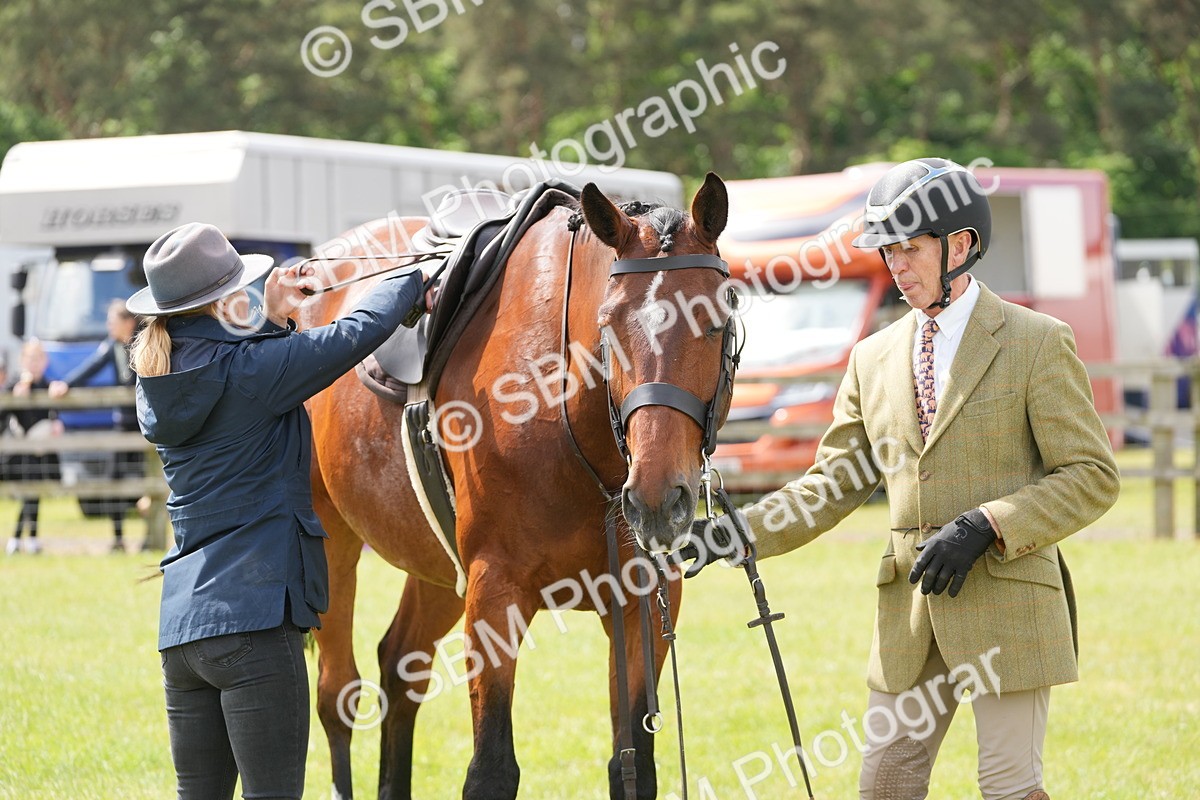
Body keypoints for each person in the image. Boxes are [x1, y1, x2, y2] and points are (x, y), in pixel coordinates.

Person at [685, 158, 1120, 800]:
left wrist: (988, 524)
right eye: (887, 251)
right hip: (910, 610)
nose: (896, 265)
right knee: (884, 788)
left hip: (1009, 601)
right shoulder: (872, 357)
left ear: (960, 246)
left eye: (909, 249)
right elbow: (834, 483)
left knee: (1008, 787)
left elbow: (1091, 475)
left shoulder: (1036, 342)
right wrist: (740, 532)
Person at [128, 222, 424, 799]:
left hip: (182, 635)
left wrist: (270, 318)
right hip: (256, 625)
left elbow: (235, 369)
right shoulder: (252, 372)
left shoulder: (158, 378)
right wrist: (413, 275)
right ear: (222, 302)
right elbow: (357, 332)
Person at [49, 298, 141, 552]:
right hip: (122, 425)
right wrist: (66, 384)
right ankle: (119, 538)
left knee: (148, 480)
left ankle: (150, 537)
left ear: (128, 322)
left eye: (113, 321)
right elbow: (90, 367)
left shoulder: (142, 343)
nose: (109, 326)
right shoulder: (113, 347)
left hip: (144, 427)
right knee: (115, 482)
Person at [4, 339, 60, 556]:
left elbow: (53, 413)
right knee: (29, 494)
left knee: (34, 493)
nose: (34, 363)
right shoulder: (14, 383)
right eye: (30, 358)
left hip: (40, 450)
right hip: (19, 451)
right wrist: (17, 395)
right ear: (23, 360)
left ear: (44, 361)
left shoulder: (47, 385)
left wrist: (56, 421)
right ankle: (22, 538)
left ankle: (24, 539)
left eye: (38, 358)